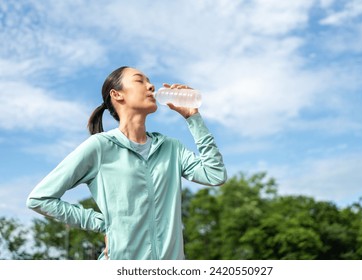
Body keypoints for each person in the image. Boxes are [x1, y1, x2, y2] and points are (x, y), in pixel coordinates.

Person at [26, 66, 227, 260]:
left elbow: (215, 174)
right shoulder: (100, 147)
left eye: (149, 82)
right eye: (140, 80)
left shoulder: (171, 148)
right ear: (117, 95)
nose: (151, 86)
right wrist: (103, 223)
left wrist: (193, 118)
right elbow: (40, 198)